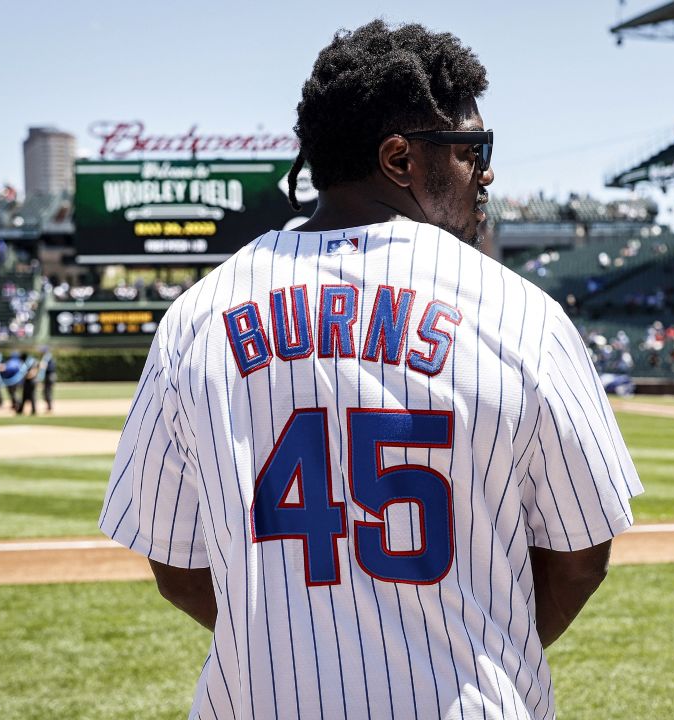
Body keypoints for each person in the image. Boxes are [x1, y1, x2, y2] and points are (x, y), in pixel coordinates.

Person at [99, 21, 642, 720]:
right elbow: (578, 560)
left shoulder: (197, 318)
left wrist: (295, 651)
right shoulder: (519, 314)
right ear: (399, 159)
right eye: (473, 149)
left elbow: (176, 566)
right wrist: (465, 654)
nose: (487, 171)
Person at [39, 345, 57, 413]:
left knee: (48, 392)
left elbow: (52, 368)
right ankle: (48, 406)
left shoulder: (49, 357)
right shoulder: (46, 357)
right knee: (45, 392)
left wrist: (45, 366)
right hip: (48, 376)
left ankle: (49, 407)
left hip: (50, 376)